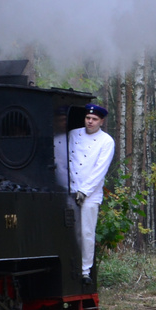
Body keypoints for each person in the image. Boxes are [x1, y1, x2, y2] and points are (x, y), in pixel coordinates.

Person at [54, 104, 116, 286]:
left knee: (86, 232)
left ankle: (85, 270)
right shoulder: (73, 134)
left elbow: (100, 170)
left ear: (101, 121)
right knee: (68, 231)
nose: (90, 121)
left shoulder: (106, 141)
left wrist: (85, 191)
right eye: (88, 118)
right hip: (70, 189)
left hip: (90, 193)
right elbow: (64, 159)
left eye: (95, 119)